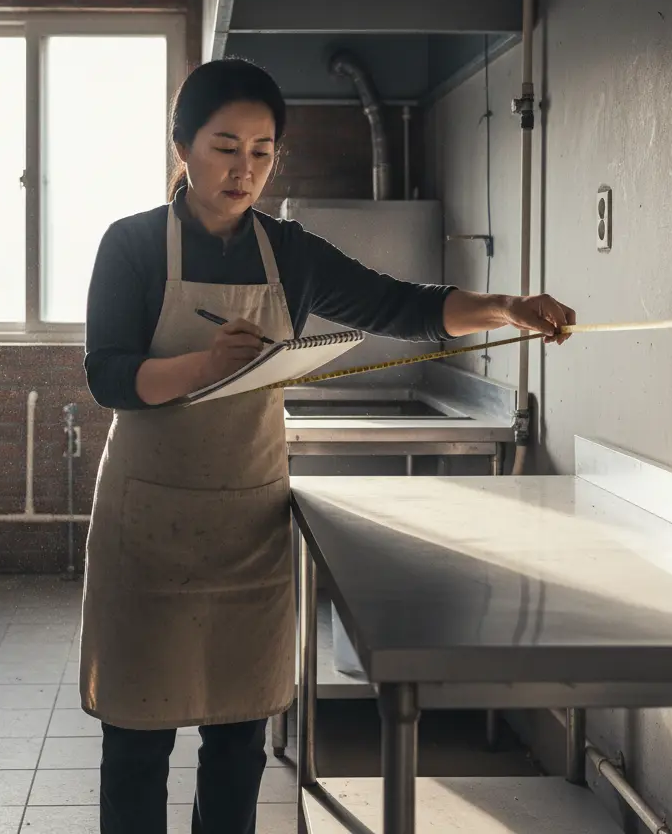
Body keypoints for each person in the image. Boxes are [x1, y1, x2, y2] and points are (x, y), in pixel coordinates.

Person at [79, 58, 575, 834]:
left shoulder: (291, 254)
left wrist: (507, 307)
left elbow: (403, 307)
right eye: (225, 146)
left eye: (262, 151)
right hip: (148, 524)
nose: (244, 169)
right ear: (182, 145)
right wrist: (204, 365)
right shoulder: (134, 246)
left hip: (247, 525)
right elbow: (108, 377)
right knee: (138, 741)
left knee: (238, 737)